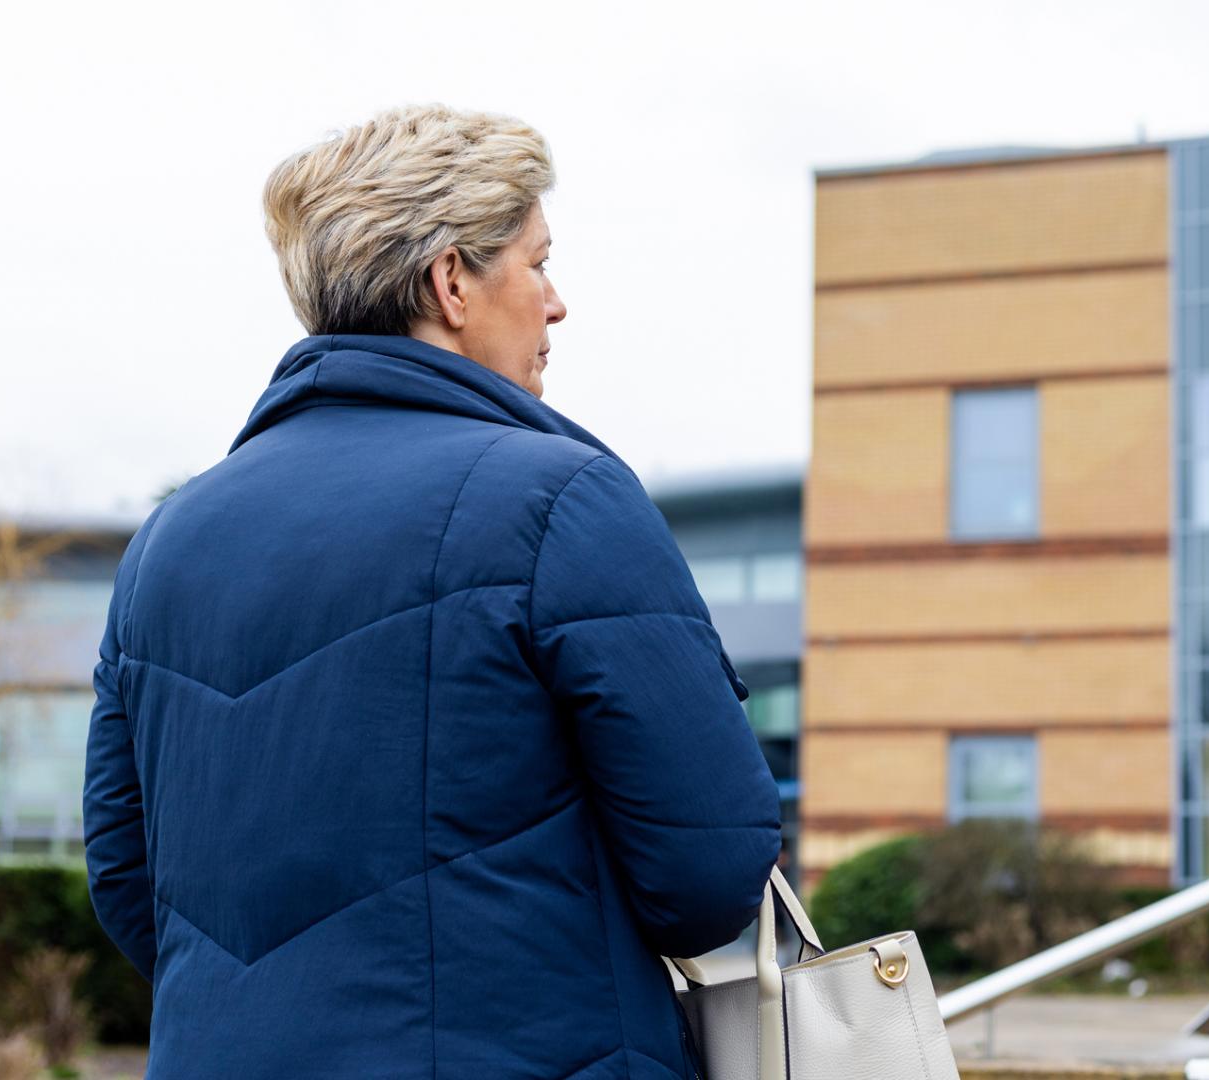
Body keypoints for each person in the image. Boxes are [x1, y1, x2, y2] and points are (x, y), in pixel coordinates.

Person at [82, 104, 781, 1079]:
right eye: (537, 263)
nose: (555, 301)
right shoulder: (561, 501)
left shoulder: (168, 538)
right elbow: (708, 877)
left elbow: (126, 883)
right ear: (451, 280)